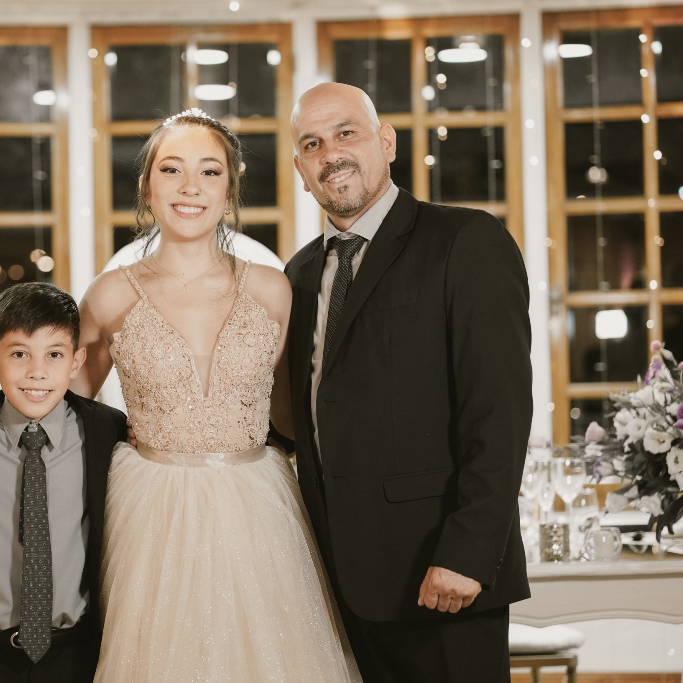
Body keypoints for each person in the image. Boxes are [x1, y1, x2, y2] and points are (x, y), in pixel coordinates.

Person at [73, 108, 362, 682]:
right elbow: (69, 415)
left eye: (209, 171)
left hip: (258, 502)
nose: (190, 187)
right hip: (149, 505)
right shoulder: (108, 295)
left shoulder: (273, 288)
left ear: (229, 190)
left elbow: (293, 415)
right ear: (147, 187)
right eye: (171, 169)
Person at [283, 82, 532, 682]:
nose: (330, 155)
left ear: (387, 142)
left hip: (442, 577)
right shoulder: (298, 274)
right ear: (300, 169)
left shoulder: (465, 240)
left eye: (346, 133)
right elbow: (307, 414)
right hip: (338, 587)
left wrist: (468, 553)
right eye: (312, 145)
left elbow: (499, 412)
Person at [0, 282, 128, 683]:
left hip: (76, 654)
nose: (37, 372)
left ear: (76, 361)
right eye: (19, 354)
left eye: (54, 354)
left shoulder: (107, 430)